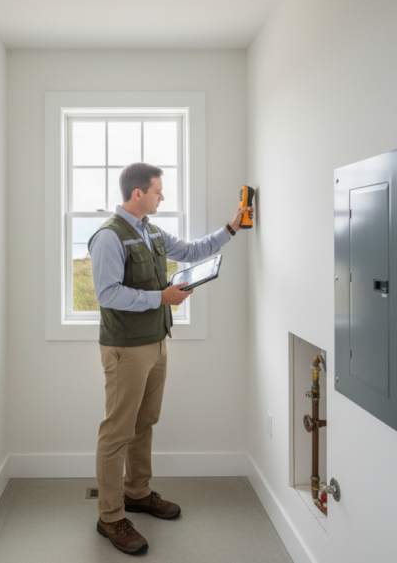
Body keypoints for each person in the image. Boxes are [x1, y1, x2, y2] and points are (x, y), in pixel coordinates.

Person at [87, 162, 254, 555]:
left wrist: (232, 227)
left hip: (156, 342)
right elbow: (107, 294)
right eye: (158, 191)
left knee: (144, 422)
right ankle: (110, 517)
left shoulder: (152, 231)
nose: (163, 196)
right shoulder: (108, 237)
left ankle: (137, 493)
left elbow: (192, 250)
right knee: (117, 431)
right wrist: (162, 297)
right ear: (137, 193)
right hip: (126, 348)